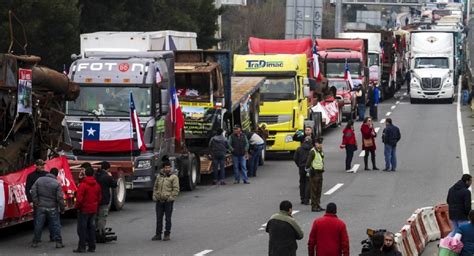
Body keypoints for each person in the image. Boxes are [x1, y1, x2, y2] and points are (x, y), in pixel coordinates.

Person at [30, 168, 65, 249]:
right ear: (56, 175)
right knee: (55, 224)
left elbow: (33, 190)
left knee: (38, 224)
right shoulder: (56, 183)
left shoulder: (39, 180)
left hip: (40, 206)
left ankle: (35, 241)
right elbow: (60, 198)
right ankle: (58, 242)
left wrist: (35, 202)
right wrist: (62, 208)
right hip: (52, 207)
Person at [74, 165, 101, 253]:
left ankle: (82, 247)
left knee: (82, 229)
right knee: (91, 228)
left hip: (84, 209)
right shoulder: (96, 184)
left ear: (85, 174)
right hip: (93, 209)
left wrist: (77, 207)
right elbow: (99, 197)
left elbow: (79, 198)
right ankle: (92, 246)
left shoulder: (83, 185)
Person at [152, 159, 179, 241]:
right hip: (159, 201)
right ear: (163, 168)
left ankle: (167, 234)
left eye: (169, 167)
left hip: (168, 201)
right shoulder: (159, 177)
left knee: (168, 218)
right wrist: (155, 196)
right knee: (159, 218)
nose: (167, 169)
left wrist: (170, 198)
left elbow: (176, 189)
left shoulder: (174, 177)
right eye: (166, 167)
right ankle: (158, 234)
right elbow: (155, 187)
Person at [94, 161, 117, 242]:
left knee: (96, 217)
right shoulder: (107, 177)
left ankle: (94, 231)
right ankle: (100, 233)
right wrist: (111, 176)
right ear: (107, 168)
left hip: (95, 199)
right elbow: (114, 184)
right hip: (104, 199)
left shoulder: (96, 175)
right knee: (102, 217)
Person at [305, 137, 325, 212]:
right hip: (314, 173)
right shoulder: (312, 152)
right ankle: (314, 206)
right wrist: (309, 171)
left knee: (319, 190)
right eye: (319, 143)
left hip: (320, 172)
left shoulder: (320, 151)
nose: (320, 145)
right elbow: (308, 163)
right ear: (315, 144)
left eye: (321, 143)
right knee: (314, 190)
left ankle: (318, 205)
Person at [293, 136, 312, 205]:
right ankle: (307, 199)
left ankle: (302, 198)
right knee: (308, 182)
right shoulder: (312, 149)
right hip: (309, 168)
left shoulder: (299, 149)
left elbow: (295, 158)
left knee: (302, 182)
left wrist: (299, 165)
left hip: (301, 168)